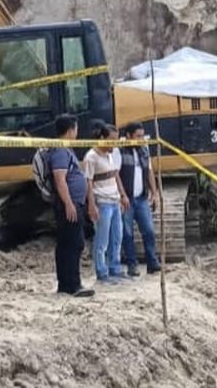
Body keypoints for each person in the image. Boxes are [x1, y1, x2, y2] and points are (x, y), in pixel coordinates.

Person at [47, 113, 94, 298]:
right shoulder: (60, 151)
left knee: (68, 243)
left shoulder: (66, 150)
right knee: (74, 243)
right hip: (69, 204)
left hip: (73, 203)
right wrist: (68, 203)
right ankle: (73, 284)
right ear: (70, 130)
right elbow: (60, 180)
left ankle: (66, 284)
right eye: (76, 128)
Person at [83, 123, 129, 284]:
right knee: (102, 240)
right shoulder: (91, 157)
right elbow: (88, 182)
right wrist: (91, 205)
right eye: (111, 140)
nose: (114, 144)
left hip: (114, 200)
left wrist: (122, 195)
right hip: (102, 202)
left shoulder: (110, 154)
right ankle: (101, 272)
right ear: (102, 138)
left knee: (117, 237)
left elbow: (115, 175)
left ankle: (115, 268)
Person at [119, 125, 161, 277]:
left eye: (142, 136)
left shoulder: (144, 150)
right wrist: (122, 195)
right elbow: (116, 174)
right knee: (127, 233)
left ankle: (152, 262)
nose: (141, 139)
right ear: (128, 136)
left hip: (142, 198)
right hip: (127, 199)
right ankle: (132, 264)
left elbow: (149, 172)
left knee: (149, 230)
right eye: (138, 136)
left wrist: (154, 193)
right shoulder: (120, 150)